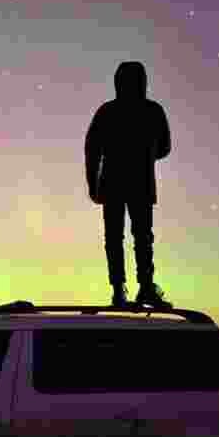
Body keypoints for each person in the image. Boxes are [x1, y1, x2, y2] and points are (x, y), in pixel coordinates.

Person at [84, 61, 172, 309]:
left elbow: (92, 150)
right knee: (139, 237)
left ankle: (123, 289)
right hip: (136, 182)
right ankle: (139, 287)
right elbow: (165, 147)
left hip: (117, 182)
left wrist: (93, 183)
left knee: (119, 238)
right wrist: (144, 156)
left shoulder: (109, 111)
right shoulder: (152, 110)